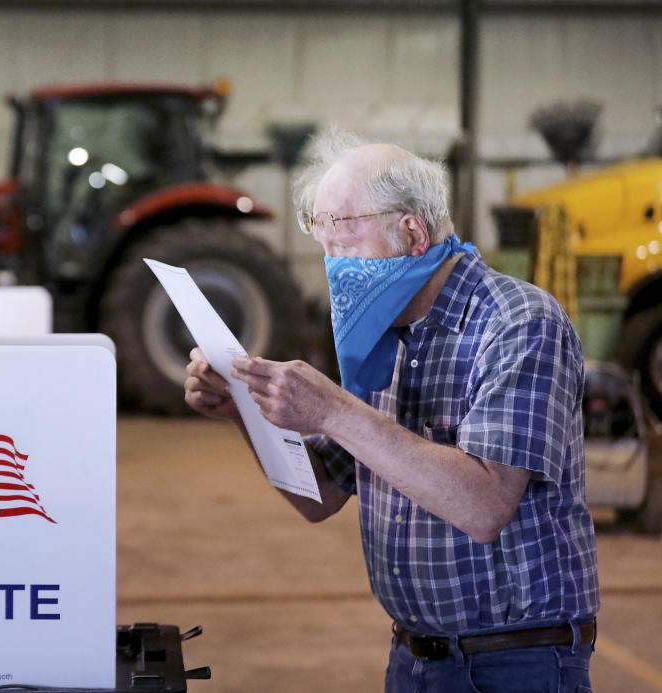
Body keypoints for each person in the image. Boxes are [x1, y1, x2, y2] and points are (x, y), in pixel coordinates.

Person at [183, 129, 599, 692]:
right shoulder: (384, 337)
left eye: (347, 244)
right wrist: (242, 409)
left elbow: (483, 504)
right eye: (325, 244)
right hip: (414, 657)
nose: (335, 269)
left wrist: (332, 410)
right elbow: (319, 494)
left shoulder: (518, 323)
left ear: (413, 232)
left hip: (516, 662)